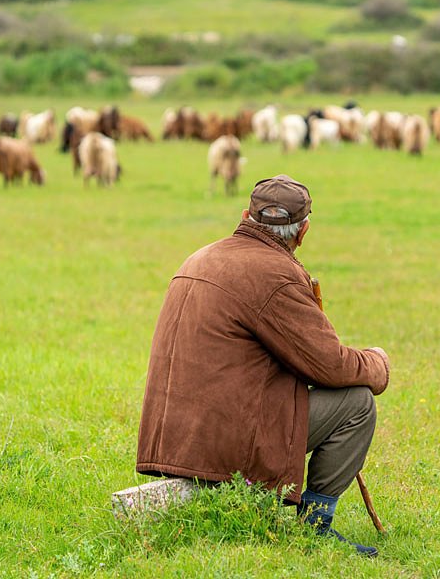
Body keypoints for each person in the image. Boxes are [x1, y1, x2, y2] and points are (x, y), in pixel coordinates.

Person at [136, 175, 391, 556]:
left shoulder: (200, 256)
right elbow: (331, 366)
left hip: (173, 442)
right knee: (356, 403)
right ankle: (314, 527)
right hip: (222, 447)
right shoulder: (276, 275)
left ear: (245, 216)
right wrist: (378, 364)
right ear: (302, 232)